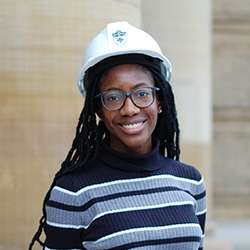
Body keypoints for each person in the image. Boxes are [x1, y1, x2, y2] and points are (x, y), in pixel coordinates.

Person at [29, 21, 206, 250]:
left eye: (142, 94)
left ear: (160, 101)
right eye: (113, 97)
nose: (129, 109)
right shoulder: (74, 192)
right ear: (99, 110)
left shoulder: (190, 181)